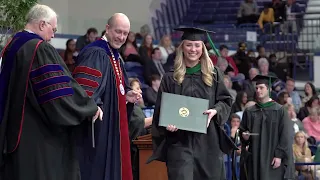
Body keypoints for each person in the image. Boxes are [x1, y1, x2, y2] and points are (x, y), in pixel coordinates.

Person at [0, 4, 102, 180]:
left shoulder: (12, 44)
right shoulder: (38, 48)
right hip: (35, 134)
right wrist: (88, 107)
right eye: (53, 29)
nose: (53, 35)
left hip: (13, 131)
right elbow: (58, 93)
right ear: (42, 25)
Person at [149, 27, 236, 180]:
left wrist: (216, 110)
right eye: (189, 45)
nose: (193, 49)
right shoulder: (170, 78)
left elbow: (225, 101)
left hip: (209, 143)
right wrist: (168, 124)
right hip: (180, 144)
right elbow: (161, 111)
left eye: (197, 45)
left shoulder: (213, 74)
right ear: (182, 47)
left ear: (202, 49)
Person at [73, 13, 141, 180]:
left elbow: (114, 89)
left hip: (113, 126)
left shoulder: (115, 55)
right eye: (118, 31)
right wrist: (92, 104)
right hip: (99, 128)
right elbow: (83, 90)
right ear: (107, 28)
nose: (122, 37)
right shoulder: (96, 52)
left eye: (125, 33)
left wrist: (126, 96)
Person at [239, 75, 294, 180]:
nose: (258, 90)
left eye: (261, 88)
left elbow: (285, 135)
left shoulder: (279, 110)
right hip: (255, 155)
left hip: (272, 156)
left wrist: (279, 155)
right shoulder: (250, 111)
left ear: (269, 89)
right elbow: (243, 131)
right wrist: (245, 136)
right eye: (256, 88)